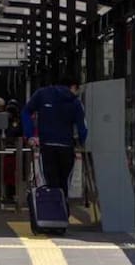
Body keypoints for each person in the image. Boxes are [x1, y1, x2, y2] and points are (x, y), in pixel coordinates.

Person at [21, 73, 88, 210]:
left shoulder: (42, 94)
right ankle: (63, 209)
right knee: (64, 181)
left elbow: (26, 112)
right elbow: (82, 127)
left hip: (47, 145)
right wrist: (81, 142)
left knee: (50, 180)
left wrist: (30, 135)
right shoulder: (75, 102)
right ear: (73, 87)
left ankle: (53, 212)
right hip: (67, 147)